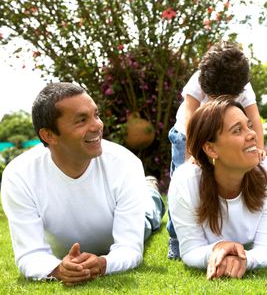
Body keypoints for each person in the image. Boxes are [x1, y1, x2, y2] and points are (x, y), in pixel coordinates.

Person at [0, 82, 165, 285]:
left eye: (96, 115)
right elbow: (29, 254)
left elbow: (129, 248)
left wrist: (104, 263)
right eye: (81, 120)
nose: (97, 125)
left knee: (149, 215)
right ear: (48, 135)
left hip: (122, 220)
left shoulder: (125, 164)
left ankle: (149, 189)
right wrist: (57, 269)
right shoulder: (19, 176)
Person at [167, 40, 266, 259]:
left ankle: (222, 232)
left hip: (221, 138)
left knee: (215, 182)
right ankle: (176, 238)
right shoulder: (199, 79)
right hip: (187, 134)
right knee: (182, 186)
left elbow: (254, 118)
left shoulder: (244, 87)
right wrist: (192, 153)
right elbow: (190, 115)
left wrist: (257, 148)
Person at [168, 98, 267, 279]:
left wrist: (243, 259)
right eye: (237, 130)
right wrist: (217, 249)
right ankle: (151, 190)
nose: (252, 134)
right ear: (211, 149)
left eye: (249, 126)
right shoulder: (185, 181)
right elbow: (190, 251)